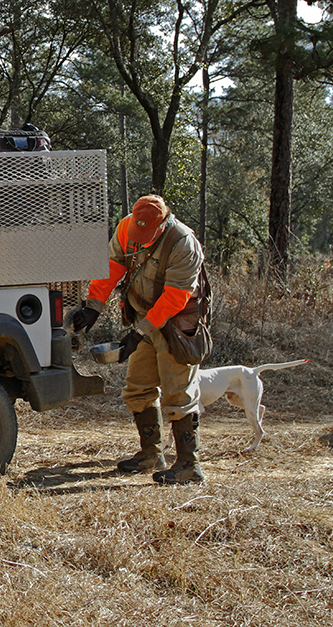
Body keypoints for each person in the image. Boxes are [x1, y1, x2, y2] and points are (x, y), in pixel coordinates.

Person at [69, 194, 207, 484]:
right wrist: (94, 306)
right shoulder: (125, 229)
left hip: (175, 324)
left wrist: (139, 332)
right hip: (143, 320)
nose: (140, 239)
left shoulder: (183, 243)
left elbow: (174, 298)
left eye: (147, 234)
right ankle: (150, 454)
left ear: (162, 224)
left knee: (178, 393)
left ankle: (188, 465)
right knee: (138, 388)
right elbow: (111, 268)